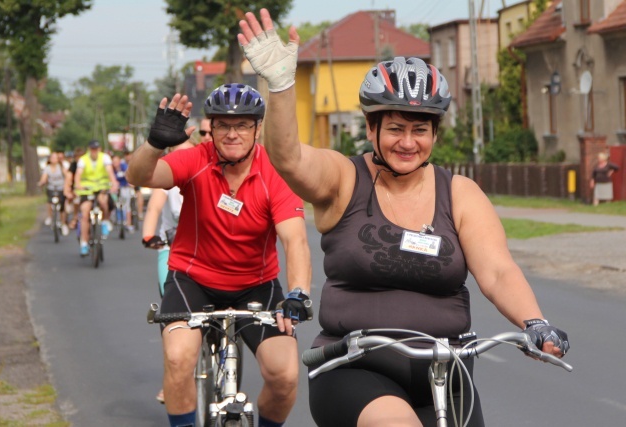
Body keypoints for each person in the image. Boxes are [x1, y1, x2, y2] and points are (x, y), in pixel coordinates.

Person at [238, 9, 570, 427]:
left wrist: (535, 322)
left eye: (421, 130)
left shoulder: (459, 192)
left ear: (435, 133)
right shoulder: (344, 179)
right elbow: (287, 158)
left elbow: (498, 271)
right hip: (354, 368)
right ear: (371, 127)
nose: (408, 143)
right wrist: (281, 86)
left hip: (446, 369)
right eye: (395, 128)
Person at [126, 84, 312, 427]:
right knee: (180, 359)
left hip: (257, 285)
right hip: (191, 280)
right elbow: (138, 176)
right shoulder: (196, 159)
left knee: (285, 376)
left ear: (258, 128)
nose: (232, 134)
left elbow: (295, 240)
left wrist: (298, 292)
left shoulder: (276, 172)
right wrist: (153, 145)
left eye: (242, 125)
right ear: (210, 128)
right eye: (223, 125)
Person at [141, 139, 195, 405]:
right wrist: (149, 234)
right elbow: (153, 207)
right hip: (171, 249)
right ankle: (171, 377)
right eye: (178, 154)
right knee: (172, 312)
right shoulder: (168, 179)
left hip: (205, 255)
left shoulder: (207, 175)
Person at [74, 140, 119, 256]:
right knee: (85, 213)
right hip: (87, 189)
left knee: (103, 201)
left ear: (99, 149)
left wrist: (114, 183)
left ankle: (104, 221)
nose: (94, 152)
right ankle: (84, 243)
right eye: (92, 149)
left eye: (96, 149)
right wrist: (78, 184)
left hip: (101, 187)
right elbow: (78, 175)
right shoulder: (83, 160)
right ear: (89, 149)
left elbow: (110, 172)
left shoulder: (105, 158)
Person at [37, 151, 69, 236]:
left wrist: (68, 186)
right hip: (51, 188)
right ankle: (50, 217)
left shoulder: (61, 167)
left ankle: (63, 223)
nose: (54, 159)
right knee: (49, 201)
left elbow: (67, 176)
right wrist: (41, 183)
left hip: (60, 188)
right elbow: (44, 177)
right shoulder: (47, 168)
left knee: (62, 207)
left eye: (55, 158)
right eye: (52, 158)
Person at [111, 153, 135, 233]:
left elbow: (129, 175)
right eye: (113, 161)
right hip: (115, 189)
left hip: (125, 187)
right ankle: (116, 219)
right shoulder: (110, 169)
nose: (115, 163)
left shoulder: (124, 166)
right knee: (115, 204)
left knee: (126, 205)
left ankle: (128, 223)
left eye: (116, 161)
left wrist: (131, 183)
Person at [64, 147, 86, 230]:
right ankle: (74, 217)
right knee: (75, 201)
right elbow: (68, 177)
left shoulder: (88, 163)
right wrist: (67, 190)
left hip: (88, 187)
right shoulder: (73, 165)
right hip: (76, 187)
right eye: (77, 157)